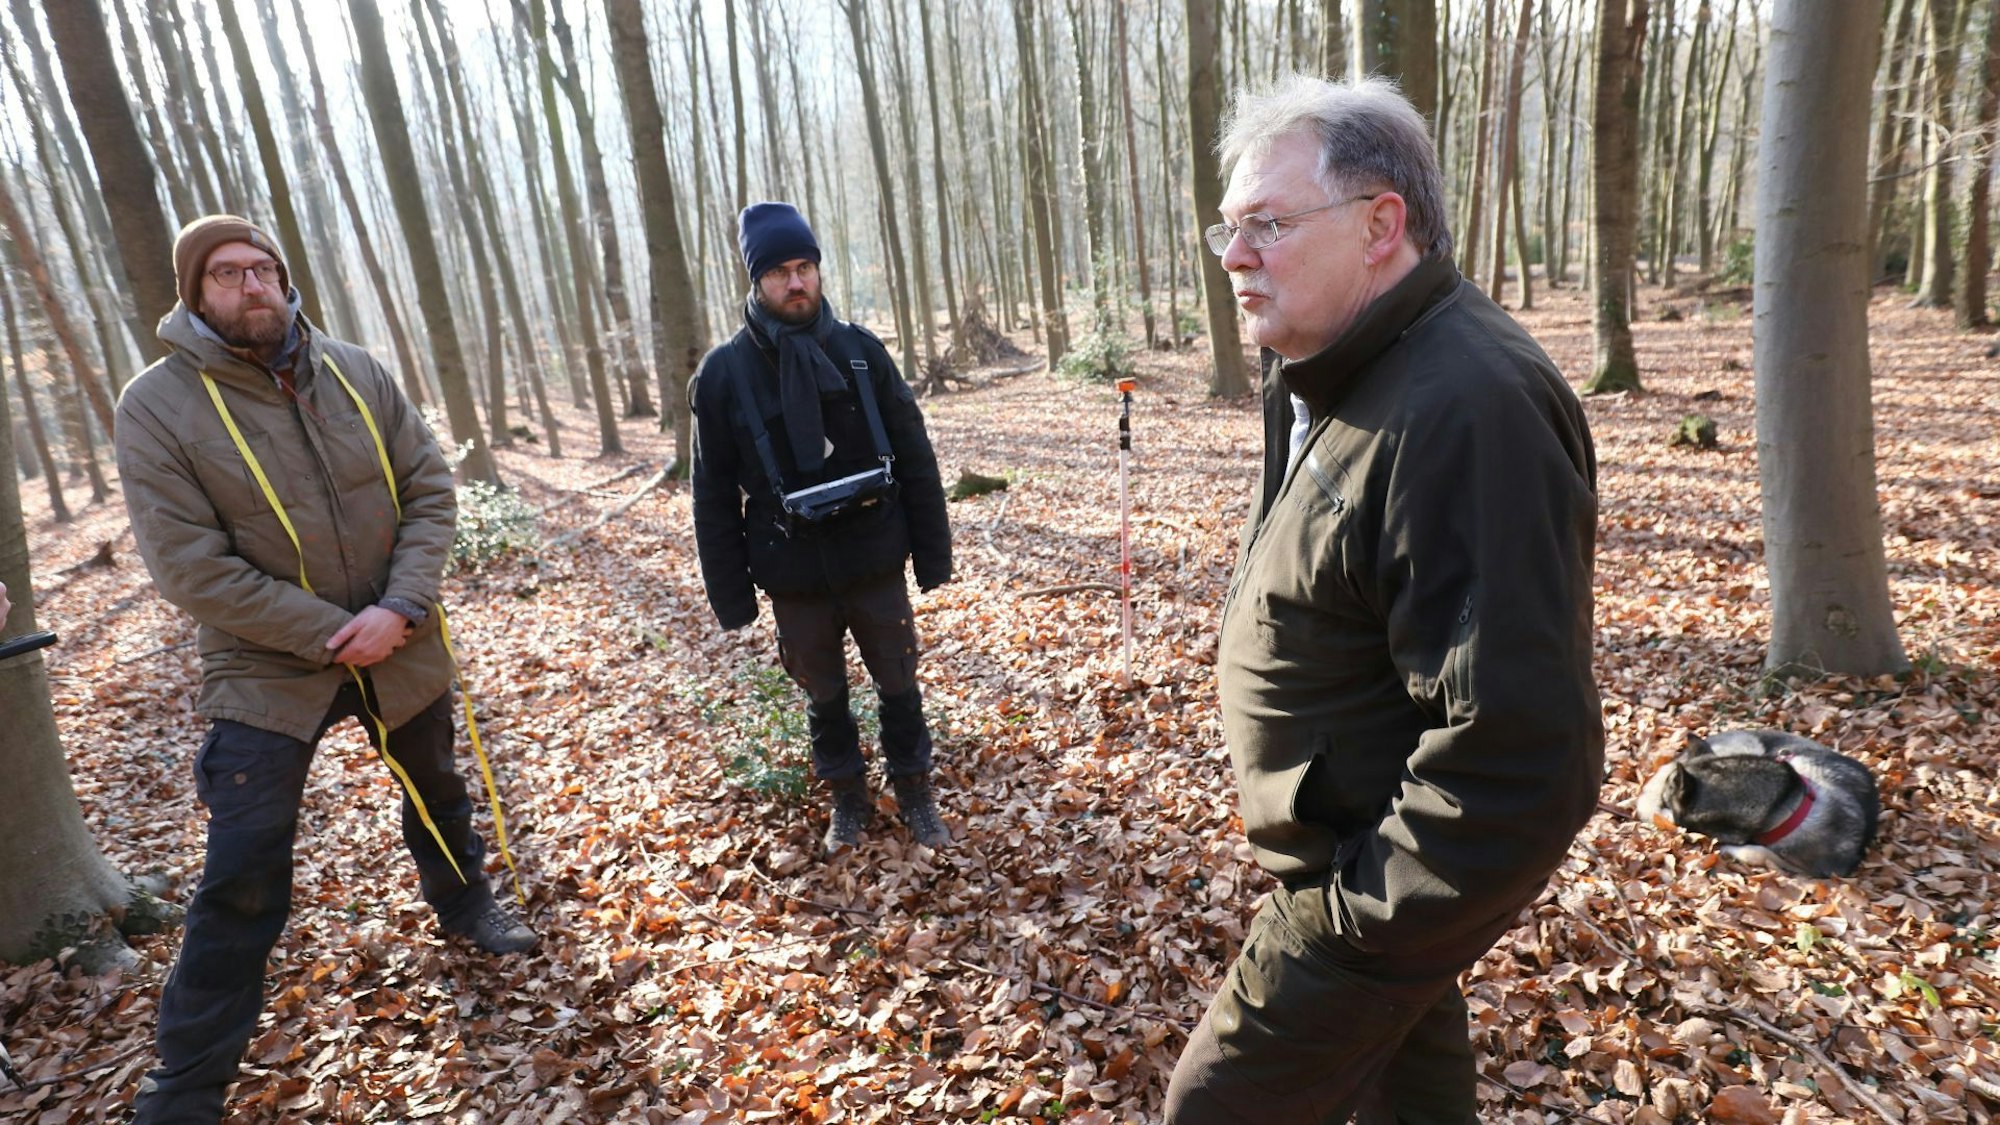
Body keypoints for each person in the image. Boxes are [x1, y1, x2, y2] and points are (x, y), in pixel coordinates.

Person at [1163, 76, 1603, 1124]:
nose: (1234, 257)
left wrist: (1356, 929)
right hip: (1363, 870)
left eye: (1268, 225)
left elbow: (1519, 758)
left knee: (1212, 1109)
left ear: (1379, 225)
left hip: (1365, 898)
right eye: (1227, 229)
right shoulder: (1332, 366)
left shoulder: (1466, 411)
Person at [114, 215, 535, 1124]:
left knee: (437, 788)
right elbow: (188, 567)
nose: (252, 285)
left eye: (264, 268)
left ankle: (467, 905)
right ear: (194, 293)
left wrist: (401, 606)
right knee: (244, 861)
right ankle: (186, 1080)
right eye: (228, 273)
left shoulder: (354, 369)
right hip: (264, 664)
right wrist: (335, 632)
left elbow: (429, 487)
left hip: (400, 636)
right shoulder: (156, 404)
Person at [690, 202, 953, 855]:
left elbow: (915, 455)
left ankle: (915, 792)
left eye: (804, 266)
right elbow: (712, 496)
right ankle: (847, 800)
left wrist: (933, 555)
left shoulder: (861, 351)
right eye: (779, 272)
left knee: (899, 683)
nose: (796, 282)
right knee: (824, 696)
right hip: (793, 570)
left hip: (874, 557)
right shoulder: (723, 375)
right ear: (757, 281)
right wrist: (732, 598)